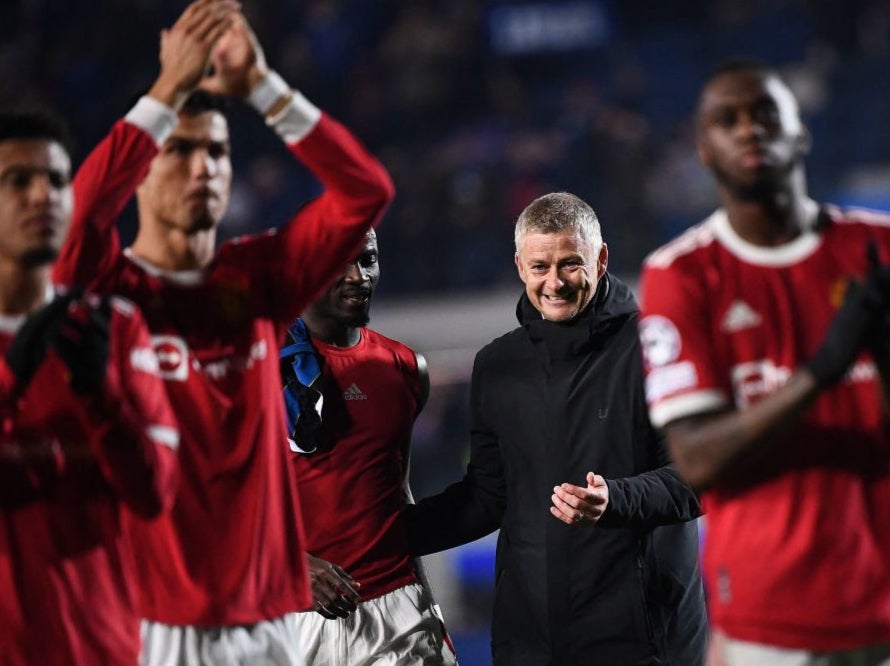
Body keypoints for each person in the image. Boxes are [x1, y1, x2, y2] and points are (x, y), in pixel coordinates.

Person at [51, 2, 395, 663]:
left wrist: (265, 90)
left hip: (266, 626)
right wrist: (165, 91)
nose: (201, 167)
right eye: (178, 150)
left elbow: (365, 192)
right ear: (141, 170)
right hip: (146, 626)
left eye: (215, 151)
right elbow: (76, 225)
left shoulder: (259, 277)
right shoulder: (112, 292)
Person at [639, 58, 890, 665]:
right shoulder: (681, 274)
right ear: (704, 150)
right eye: (729, 120)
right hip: (769, 623)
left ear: (800, 133)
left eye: (765, 115)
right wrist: (819, 373)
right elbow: (696, 458)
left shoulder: (877, 248)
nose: (749, 129)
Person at [406, 191, 706, 665]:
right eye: (540, 266)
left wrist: (616, 499)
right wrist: (385, 537)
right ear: (520, 266)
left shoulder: (656, 346)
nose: (554, 283)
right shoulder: (496, 365)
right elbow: (488, 495)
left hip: (645, 641)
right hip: (531, 643)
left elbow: (697, 476)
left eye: (570, 264)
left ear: (601, 258)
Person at [0, 110, 179, 664]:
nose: (43, 197)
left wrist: (99, 398)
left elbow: (156, 493)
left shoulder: (114, 328)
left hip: (106, 651)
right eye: (18, 181)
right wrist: (11, 383)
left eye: (56, 181)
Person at [279, 228, 458, 664]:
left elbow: (398, 494)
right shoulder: (250, 371)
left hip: (398, 616)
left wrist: (429, 609)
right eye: (342, 263)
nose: (359, 276)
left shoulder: (404, 368)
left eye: (369, 260)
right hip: (287, 624)